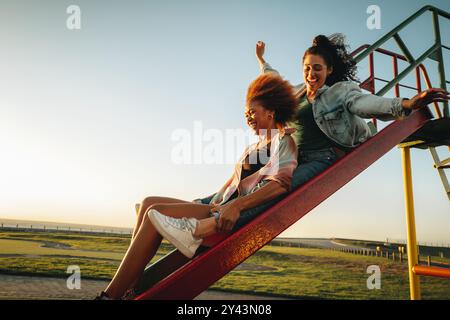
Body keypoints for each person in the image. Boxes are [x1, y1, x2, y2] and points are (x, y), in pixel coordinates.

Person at [95, 73, 299, 299]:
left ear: (270, 111)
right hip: (215, 205)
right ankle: (130, 286)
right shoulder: (254, 146)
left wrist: (237, 206)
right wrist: (201, 202)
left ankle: (109, 296)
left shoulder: (284, 142)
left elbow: (280, 184)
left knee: (154, 214)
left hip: (225, 215)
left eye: (252, 112)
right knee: (147, 202)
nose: (248, 118)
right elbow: (230, 185)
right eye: (245, 114)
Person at [255, 34, 448, 193]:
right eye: (307, 68)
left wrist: (407, 104)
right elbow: (274, 80)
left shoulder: (338, 92)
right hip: (295, 154)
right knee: (250, 169)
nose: (311, 73)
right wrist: (262, 60)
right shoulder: (296, 93)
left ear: (329, 70)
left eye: (317, 68)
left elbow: (366, 103)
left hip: (322, 156)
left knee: (272, 190)